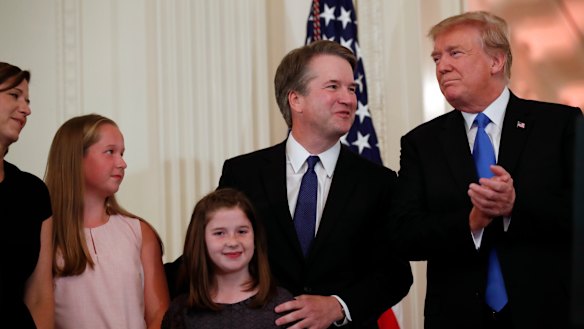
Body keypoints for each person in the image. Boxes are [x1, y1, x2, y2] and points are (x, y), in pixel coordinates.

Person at [390, 11, 583, 329]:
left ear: (496, 61)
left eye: (455, 53)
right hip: (457, 316)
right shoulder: (420, 143)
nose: (442, 66)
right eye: (437, 57)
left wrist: (513, 208)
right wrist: (471, 223)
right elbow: (404, 236)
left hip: (547, 312)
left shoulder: (560, 125)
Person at [215, 40, 413, 329]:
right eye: (333, 86)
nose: (348, 98)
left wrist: (338, 306)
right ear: (296, 100)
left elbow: (395, 275)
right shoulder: (242, 173)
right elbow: (214, 251)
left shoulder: (378, 182)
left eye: (351, 89)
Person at [44, 114, 170, 329]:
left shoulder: (139, 232)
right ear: (75, 158)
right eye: (110, 152)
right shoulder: (46, 234)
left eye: (122, 153)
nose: (122, 163)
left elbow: (159, 315)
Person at [162, 188, 295, 329]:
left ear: (255, 238)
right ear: (200, 241)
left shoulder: (283, 306)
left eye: (242, 231)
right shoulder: (181, 312)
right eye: (220, 233)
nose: (233, 242)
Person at [0, 62, 54, 329]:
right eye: (14, 95)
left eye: (28, 100)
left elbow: (40, 296)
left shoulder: (33, 194)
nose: (26, 109)